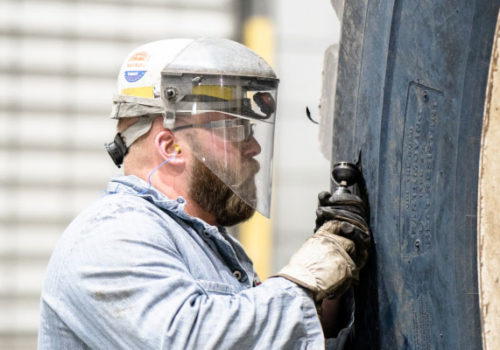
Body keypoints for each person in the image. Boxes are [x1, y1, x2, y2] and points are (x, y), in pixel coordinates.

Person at [38, 38, 370, 349]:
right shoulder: (110, 237)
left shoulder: (202, 243)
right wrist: (305, 281)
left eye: (251, 130)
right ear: (172, 146)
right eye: (236, 129)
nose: (253, 146)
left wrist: (332, 285)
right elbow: (193, 339)